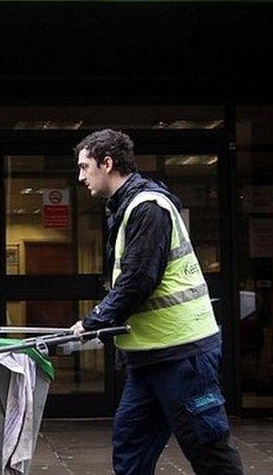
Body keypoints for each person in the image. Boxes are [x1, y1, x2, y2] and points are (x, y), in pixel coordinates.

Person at [68, 129, 244, 475]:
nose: (80, 176)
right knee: (130, 446)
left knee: (207, 449)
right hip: (149, 357)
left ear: (107, 163)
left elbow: (139, 280)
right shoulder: (126, 208)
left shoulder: (148, 208)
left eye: (84, 167)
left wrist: (94, 321)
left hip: (182, 354)